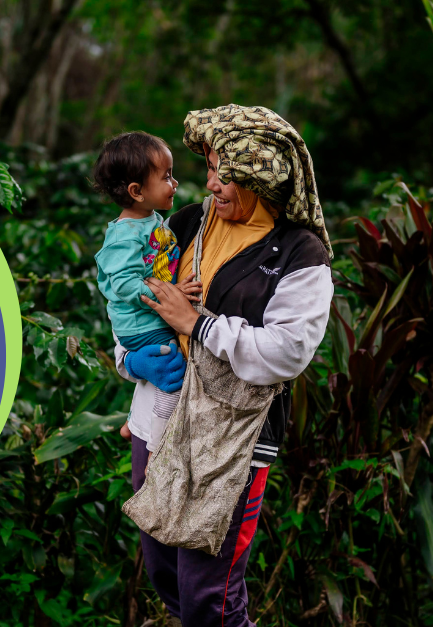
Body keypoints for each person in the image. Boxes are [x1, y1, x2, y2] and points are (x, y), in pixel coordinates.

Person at [115, 105, 334, 627]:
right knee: (163, 568)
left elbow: (287, 352)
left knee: (209, 589)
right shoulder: (188, 223)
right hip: (160, 423)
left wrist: (198, 324)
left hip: (231, 441)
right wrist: (129, 359)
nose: (210, 183)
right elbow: (132, 302)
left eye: (223, 172)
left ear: (259, 176)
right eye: (208, 169)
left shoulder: (300, 255)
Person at [91, 131, 203, 436]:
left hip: (148, 319)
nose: (174, 183)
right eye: (166, 176)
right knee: (174, 375)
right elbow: (125, 285)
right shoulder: (125, 234)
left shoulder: (152, 220)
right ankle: (156, 443)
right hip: (142, 326)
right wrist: (171, 294)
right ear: (137, 191)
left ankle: (132, 422)